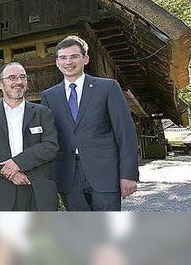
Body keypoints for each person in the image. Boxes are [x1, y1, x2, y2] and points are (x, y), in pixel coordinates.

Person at [40, 36, 139, 211]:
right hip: (68, 176)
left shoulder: (108, 88)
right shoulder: (49, 96)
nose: (68, 62)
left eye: (74, 56)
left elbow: (126, 133)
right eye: (63, 57)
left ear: (85, 59)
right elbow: (48, 138)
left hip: (105, 174)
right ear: (57, 62)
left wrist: (128, 174)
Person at [0, 62, 59, 211]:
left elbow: (50, 146)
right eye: (12, 78)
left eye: (22, 77)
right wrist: (9, 173)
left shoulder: (43, 113)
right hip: (4, 189)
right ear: (0, 84)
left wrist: (17, 163)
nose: (18, 82)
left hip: (39, 190)